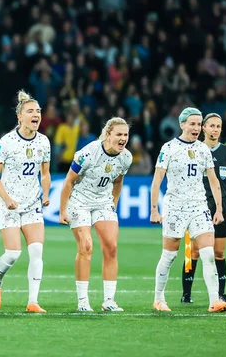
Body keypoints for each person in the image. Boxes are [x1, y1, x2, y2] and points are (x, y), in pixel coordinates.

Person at [150, 107, 226, 313]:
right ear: (182, 125)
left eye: (198, 124)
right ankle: (158, 299)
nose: (196, 128)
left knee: (208, 254)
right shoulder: (169, 148)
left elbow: (214, 182)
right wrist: (154, 209)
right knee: (169, 256)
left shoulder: (203, 149)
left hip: (199, 207)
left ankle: (215, 300)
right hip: (175, 208)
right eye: (192, 124)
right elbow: (157, 181)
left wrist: (219, 210)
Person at [59, 117, 132, 312]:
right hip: (79, 201)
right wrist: (62, 209)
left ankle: (109, 301)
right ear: (108, 135)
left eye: (125, 135)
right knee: (86, 246)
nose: (123, 138)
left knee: (112, 247)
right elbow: (68, 181)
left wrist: (114, 203)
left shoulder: (126, 157)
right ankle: (83, 302)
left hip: (103, 202)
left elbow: (118, 181)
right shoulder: (88, 153)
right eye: (119, 134)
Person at [0, 91, 51, 313]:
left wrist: (45, 193)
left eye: (38, 111)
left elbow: (45, 172)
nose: (36, 115)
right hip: (9, 204)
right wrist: (6, 198)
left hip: (32, 204)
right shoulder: (7, 142)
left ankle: (33, 301)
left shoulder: (44, 141)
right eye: (31, 111)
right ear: (20, 117)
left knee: (36, 252)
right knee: (13, 253)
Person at [181, 113, 226, 303]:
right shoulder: (193, 149)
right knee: (193, 251)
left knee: (219, 252)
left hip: (220, 207)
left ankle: (221, 293)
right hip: (196, 206)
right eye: (211, 126)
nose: (215, 129)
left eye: (218, 126)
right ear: (203, 128)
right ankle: (186, 294)